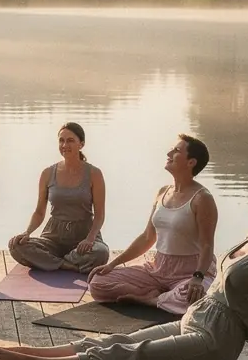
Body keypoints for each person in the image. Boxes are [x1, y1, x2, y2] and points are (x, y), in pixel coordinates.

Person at [0, 181, 248, 360]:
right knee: (120, 339)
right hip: (195, 320)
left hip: (216, 343)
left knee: (133, 357)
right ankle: (32, 352)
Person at [89, 134, 218, 314]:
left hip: (191, 270)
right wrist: (113, 263)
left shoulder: (202, 198)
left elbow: (207, 244)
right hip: (159, 267)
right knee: (97, 283)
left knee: (192, 301)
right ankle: (157, 296)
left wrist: (198, 277)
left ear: (191, 162)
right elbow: (147, 237)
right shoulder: (163, 192)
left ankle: (150, 300)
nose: (169, 153)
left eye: (176, 151)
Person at [8, 122, 109, 272]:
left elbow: (99, 215)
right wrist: (27, 232)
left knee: (101, 253)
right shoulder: (47, 173)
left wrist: (90, 238)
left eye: (70, 140)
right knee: (15, 245)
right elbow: (39, 212)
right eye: (61, 140)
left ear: (81, 144)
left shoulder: (94, 174)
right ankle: (67, 265)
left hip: (83, 236)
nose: (64, 145)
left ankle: (53, 262)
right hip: (53, 237)